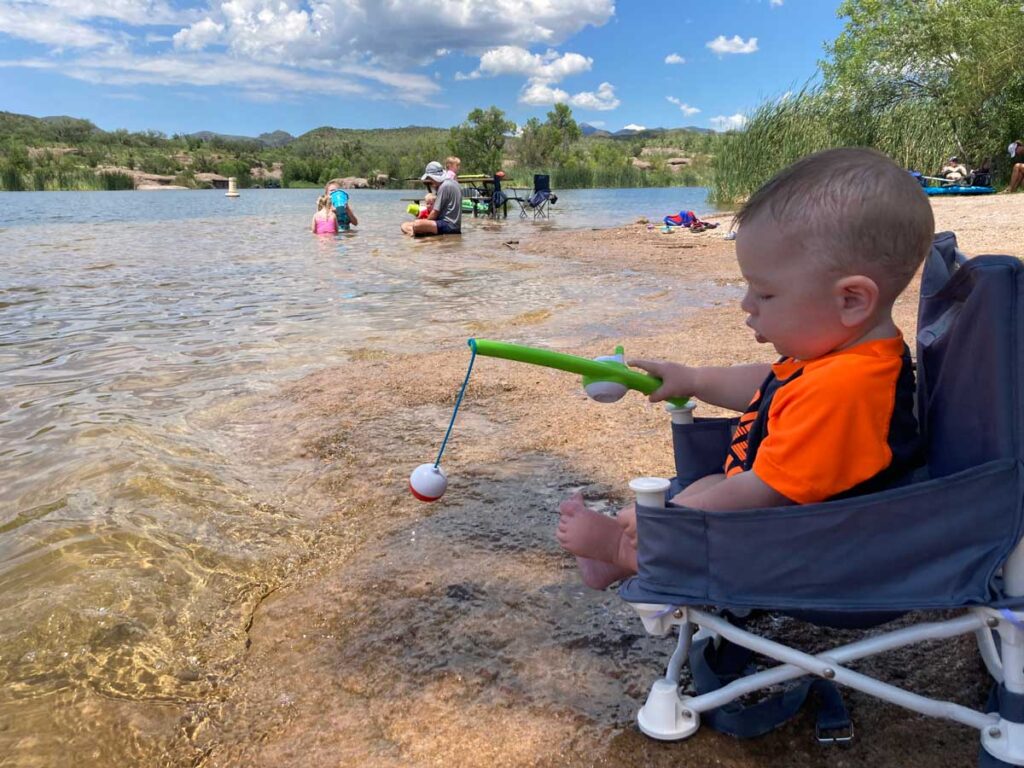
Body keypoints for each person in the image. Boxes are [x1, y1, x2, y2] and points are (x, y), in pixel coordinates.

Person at [556, 147, 931, 590]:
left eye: (765, 294)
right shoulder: (843, 355)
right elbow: (767, 384)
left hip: (816, 552)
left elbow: (760, 494)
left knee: (700, 505)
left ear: (851, 300)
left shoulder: (847, 389)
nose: (746, 305)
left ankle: (623, 552)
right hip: (802, 525)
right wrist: (694, 379)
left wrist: (667, 523)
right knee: (706, 486)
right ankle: (623, 546)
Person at [401, 161, 462, 237]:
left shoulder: (444, 186)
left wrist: (424, 223)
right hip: (454, 226)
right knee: (404, 225)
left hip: (448, 225)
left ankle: (417, 234)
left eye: (429, 179)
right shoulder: (455, 183)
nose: (431, 182)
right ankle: (418, 234)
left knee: (416, 224)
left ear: (432, 177)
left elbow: (435, 212)